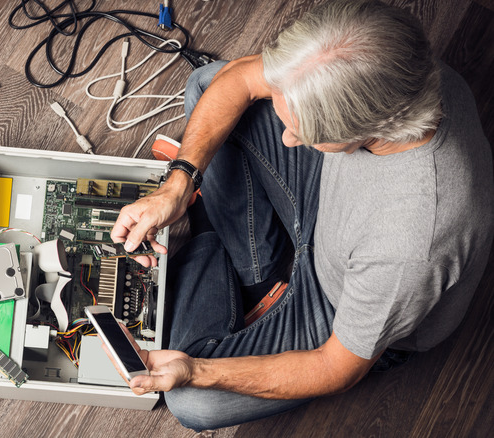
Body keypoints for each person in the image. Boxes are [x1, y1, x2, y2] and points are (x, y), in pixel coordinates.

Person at [109, 0, 494, 431]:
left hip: (341, 298)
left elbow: (336, 367)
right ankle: (257, 272)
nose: (288, 139)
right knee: (208, 82)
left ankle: (222, 252)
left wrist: (197, 371)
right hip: (332, 205)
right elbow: (240, 79)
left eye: (304, 132)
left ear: (367, 129)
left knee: (191, 400)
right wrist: (179, 183)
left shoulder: (410, 247)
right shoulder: (390, 63)